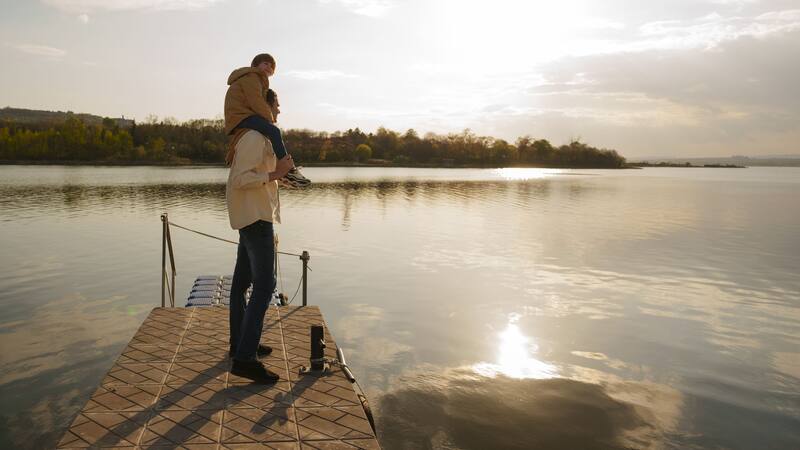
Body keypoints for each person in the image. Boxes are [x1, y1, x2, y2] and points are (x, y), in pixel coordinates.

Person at [226, 88, 293, 383]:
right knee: (266, 285)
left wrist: (279, 178)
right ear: (265, 106)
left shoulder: (258, 138)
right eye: (277, 106)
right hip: (255, 219)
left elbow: (257, 177)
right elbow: (240, 179)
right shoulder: (254, 138)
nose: (279, 111)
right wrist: (275, 174)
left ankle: (240, 344)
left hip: (252, 215)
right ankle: (244, 359)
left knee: (242, 283)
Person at [224, 53, 310, 187]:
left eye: (271, 66)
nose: (268, 67)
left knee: (270, 133)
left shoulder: (256, 80)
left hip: (242, 116)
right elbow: (256, 101)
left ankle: (285, 172)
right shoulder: (251, 77)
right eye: (265, 63)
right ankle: (289, 170)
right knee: (274, 131)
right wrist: (269, 119)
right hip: (241, 116)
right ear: (254, 65)